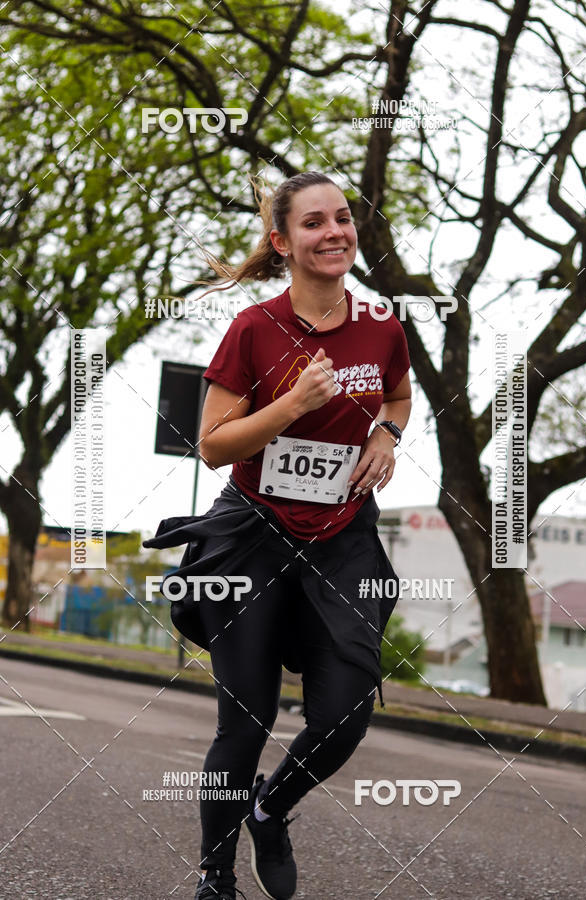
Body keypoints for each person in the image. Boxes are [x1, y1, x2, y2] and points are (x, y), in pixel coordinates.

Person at [143, 171, 411, 900]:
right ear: (282, 242)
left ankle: (272, 808)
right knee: (247, 718)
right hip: (254, 535)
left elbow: (398, 393)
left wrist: (386, 434)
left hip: (343, 533)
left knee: (345, 711)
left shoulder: (382, 322)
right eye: (315, 223)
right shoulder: (254, 330)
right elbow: (215, 444)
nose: (335, 233)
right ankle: (215, 877)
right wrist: (292, 404)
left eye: (343, 219)